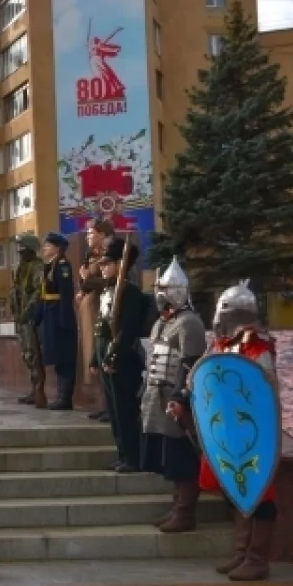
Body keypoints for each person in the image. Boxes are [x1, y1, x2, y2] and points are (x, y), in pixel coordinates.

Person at [170, 280, 279, 582]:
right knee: (235, 491)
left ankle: (257, 559)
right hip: (228, 432)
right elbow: (201, 380)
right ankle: (242, 552)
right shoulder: (221, 345)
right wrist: (184, 402)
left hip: (253, 433)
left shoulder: (258, 346)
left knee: (259, 495)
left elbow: (263, 390)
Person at [141, 257, 206, 532]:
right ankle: (177, 506)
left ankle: (185, 512)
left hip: (178, 400)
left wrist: (180, 397)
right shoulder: (162, 323)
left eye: (165, 289)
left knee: (183, 458)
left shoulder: (190, 322)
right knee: (170, 458)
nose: (160, 295)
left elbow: (191, 364)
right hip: (157, 397)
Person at [93, 237, 148, 473]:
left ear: (120, 264)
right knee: (114, 411)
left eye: (107, 264)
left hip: (121, 359)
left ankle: (133, 457)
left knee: (125, 410)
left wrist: (113, 356)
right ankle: (122, 454)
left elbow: (126, 329)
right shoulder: (109, 291)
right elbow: (102, 328)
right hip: (105, 354)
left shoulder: (130, 293)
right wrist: (95, 357)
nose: (102, 268)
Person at [35, 232, 78, 410]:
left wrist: (64, 320)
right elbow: (44, 295)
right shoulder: (50, 266)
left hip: (59, 317)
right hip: (50, 315)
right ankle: (61, 396)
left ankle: (65, 398)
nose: (44, 248)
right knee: (57, 358)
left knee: (64, 358)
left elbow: (66, 295)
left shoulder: (62, 266)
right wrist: (37, 317)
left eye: (48, 245)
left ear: (57, 248)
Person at [78, 219, 115, 423]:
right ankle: (104, 404)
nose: (88, 237)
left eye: (91, 233)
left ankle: (110, 406)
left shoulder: (109, 254)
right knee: (94, 356)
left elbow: (107, 281)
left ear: (102, 234)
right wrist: (83, 286)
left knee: (101, 353)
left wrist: (86, 279)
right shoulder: (91, 255)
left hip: (101, 309)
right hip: (90, 310)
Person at [8, 234, 46, 408]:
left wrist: (27, 311)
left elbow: (39, 292)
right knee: (27, 355)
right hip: (21, 318)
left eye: (23, 249)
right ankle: (34, 389)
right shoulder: (21, 268)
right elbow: (15, 292)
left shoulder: (37, 267)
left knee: (33, 354)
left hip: (30, 318)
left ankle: (39, 390)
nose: (20, 252)